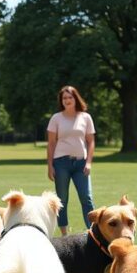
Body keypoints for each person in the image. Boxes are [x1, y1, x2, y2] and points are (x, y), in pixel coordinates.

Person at [47, 85, 96, 236]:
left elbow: (91, 141)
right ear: (61, 101)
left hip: (81, 163)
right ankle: (64, 234)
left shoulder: (85, 117)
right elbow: (51, 143)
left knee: (86, 198)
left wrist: (88, 162)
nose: (67, 100)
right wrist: (50, 166)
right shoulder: (56, 118)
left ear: (76, 98)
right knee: (62, 200)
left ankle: (93, 231)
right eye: (64, 98)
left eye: (70, 97)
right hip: (61, 163)